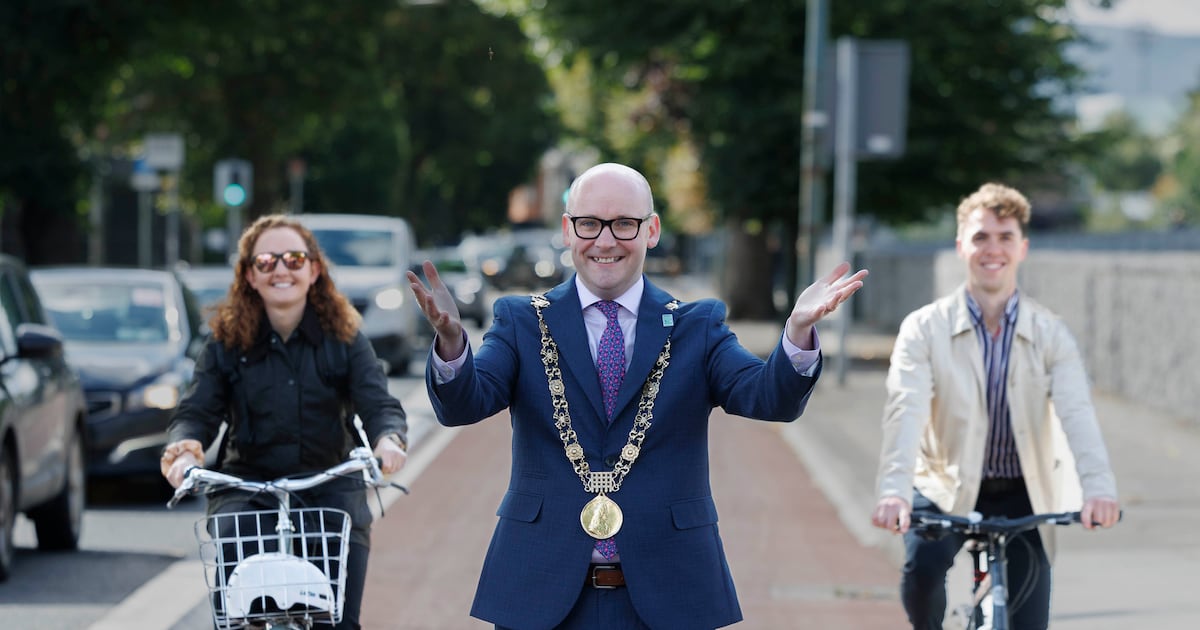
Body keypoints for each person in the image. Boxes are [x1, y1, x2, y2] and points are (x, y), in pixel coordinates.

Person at [407, 162, 868, 630]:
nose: (605, 241)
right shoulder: (521, 320)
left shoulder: (696, 325)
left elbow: (768, 398)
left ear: (652, 230)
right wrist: (451, 343)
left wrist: (797, 332)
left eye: (624, 223)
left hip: (671, 591)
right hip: (539, 589)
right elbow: (465, 403)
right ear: (568, 230)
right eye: (589, 223)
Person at [870, 183, 1121, 629]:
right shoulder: (923, 329)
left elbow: (1077, 413)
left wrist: (1098, 489)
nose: (993, 249)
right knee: (921, 576)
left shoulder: (1051, 334)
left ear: (1022, 248)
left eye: (1005, 237)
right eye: (980, 236)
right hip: (944, 484)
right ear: (961, 246)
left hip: (1023, 490)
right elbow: (905, 410)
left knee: (1027, 619)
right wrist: (894, 490)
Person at [160, 214, 409, 630]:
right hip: (248, 486)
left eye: (294, 259)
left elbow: (378, 402)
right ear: (249, 275)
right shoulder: (224, 342)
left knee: (338, 621)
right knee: (234, 615)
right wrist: (184, 449)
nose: (281, 270)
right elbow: (197, 411)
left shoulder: (345, 338)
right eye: (266, 261)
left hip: (330, 484)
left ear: (314, 270)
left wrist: (388, 440)